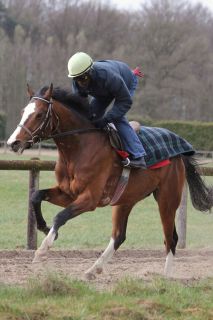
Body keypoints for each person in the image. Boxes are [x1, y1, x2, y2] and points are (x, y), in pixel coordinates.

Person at [67, 52, 147, 168]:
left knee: (117, 118)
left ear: (91, 71)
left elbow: (125, 102)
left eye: (83, 78)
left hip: (126, 81)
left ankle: (138, 156)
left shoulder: (108, 76)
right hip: (103, 91)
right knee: (90, 116)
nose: (81, 82)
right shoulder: (77, 82)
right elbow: (81, 107)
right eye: (77, 79)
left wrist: (106, 119)